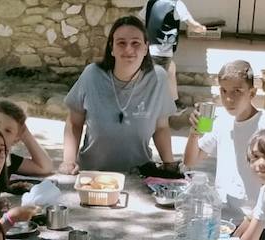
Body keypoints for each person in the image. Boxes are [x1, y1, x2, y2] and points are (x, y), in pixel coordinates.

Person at [59, 15, 179, 175]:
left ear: (145, 48)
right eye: (121, 43)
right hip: (92, 175)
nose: (128, 49)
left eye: (135, 43)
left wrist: (169, 164)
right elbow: (74, 123)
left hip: (139, 175)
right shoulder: (92, 75)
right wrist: (68, 161)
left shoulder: (158, 78)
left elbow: (161, 128)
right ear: (112, 48)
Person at [182, 60, 265, 227]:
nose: (228, 98)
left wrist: (255, 221)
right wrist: (194, 134)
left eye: (237, 91)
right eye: (224, 90)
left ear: (252, 93)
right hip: (221, 216)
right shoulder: (221, 120)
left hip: (253, 220)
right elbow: (191, 161)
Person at [145, 0, 206, 102]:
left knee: (171, 69)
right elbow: (192, 25)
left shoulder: (150, 2)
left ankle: (174, 102)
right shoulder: (176, 4)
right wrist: (202, 29)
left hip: (149, 49)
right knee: (157, 88)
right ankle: (162, 108)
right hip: (162, 53)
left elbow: (143, 18)